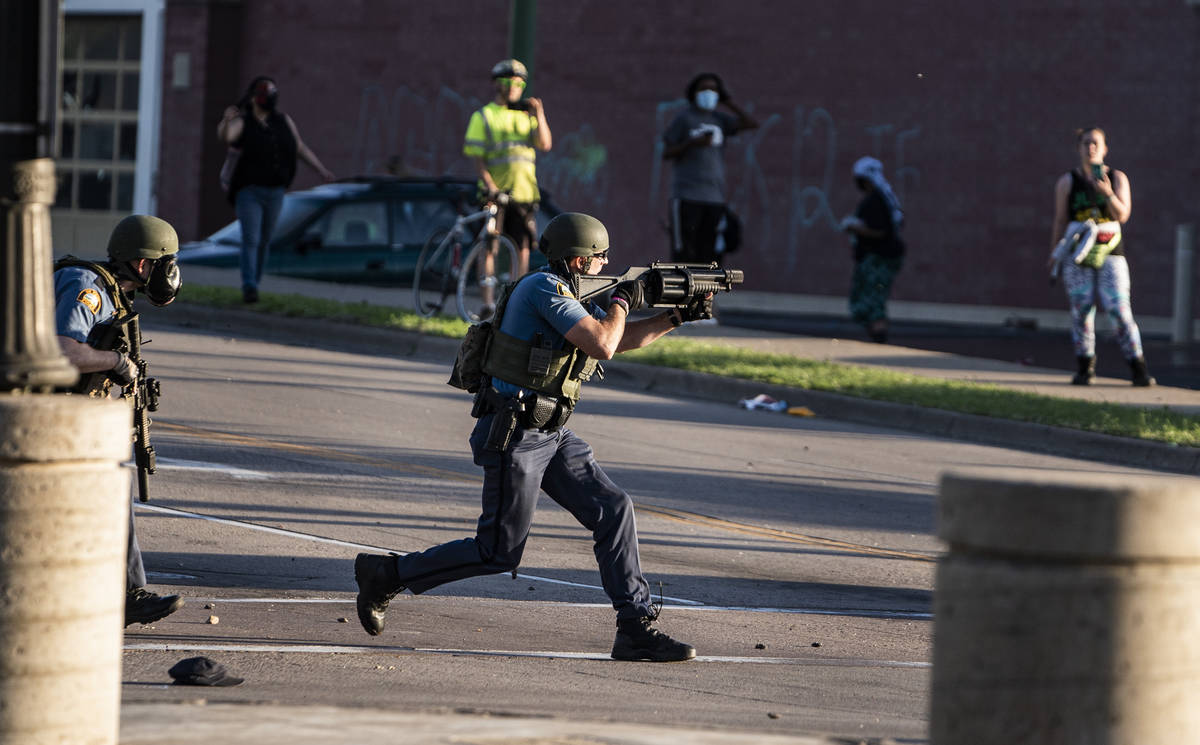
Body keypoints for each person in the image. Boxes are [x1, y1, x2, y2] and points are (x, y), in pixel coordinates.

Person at [354, 213, 713, 662]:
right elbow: (602, 342)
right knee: (498, 552)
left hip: (552, 433)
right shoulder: (545, 289)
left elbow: (616, 340)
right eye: (601, 257)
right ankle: (387, 573)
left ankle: (634, 627)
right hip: (515, 433)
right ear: (579, 261)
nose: (606, 263)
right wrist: (624, 298)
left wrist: (675, 317)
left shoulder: (567, 290)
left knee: (614, 510)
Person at [53, 214, 186, 626]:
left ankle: (120, 592)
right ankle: (124, 594)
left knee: (108, 487)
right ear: (144, 265)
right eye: (167, 262)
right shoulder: (87, 288)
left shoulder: (113, 293)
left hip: (63, 413)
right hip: (38, 412)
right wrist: (116, 362)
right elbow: (62, 349)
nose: (172, 272)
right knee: (106, 488)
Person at [1048, 127, 1154, 386]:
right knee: (1081, 309)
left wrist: (1107, 193)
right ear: (1079, 148)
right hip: (1078, 253)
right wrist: (1054, 253)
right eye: (1086, 143)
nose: (1091, 148)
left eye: (1096, 143)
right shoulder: (1067, 182)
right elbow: (1060, 219)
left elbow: (1123, 215)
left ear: (1105, 148)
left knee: (1118, 309)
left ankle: (1137, 366)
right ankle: (1085, 367)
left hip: (1110, 252)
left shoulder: (1117, 178)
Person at [218, 76, 334, 304]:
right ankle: (249, 285)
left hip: (275, 190)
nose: (268, 100)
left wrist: (320, 170)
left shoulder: (283, 121)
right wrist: (225, 121)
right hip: (248, 190)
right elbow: (226, 136)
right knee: (251, 238)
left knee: (265, 239)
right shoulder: (243, 122)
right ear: (253, 99)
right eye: (263, 95)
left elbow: (299, 147)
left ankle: (255, 282)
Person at [462, 59, 552, 318]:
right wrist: (489, 185)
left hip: (523, 193)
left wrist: (539, 115)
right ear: (496, 85)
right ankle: (488, 302)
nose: (512, 87)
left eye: (518, 83)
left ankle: (517, 302)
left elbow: (544, 144)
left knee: (521, 248)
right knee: (489, 245)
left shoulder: (526, 116)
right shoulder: (484, 116)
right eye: (506, 82)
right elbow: (477, 158)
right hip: (494, 193)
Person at [661, 72, 757, 266]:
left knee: (710, 250)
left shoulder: (719, 119)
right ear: (694, 92)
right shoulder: (685, 118)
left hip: (714, 197)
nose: (709, 93)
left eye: (713, 89)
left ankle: (705, 293)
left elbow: (751, 123)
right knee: (685, 249)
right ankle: (681, 292)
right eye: (704, 89)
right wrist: (691, 143)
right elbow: (667, 152)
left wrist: (727, 102)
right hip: (687, 195)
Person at [840, 157, 906, 343]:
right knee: (862, 302)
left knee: (874, 301)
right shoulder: (878, 199)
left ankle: (879, 339)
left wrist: (855, 228)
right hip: (873, 257)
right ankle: (875, 336)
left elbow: (881, 231)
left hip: (880, 258)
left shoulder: (877, 201)